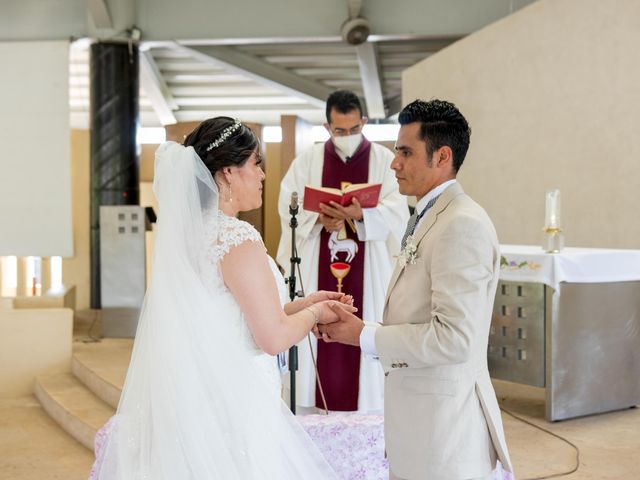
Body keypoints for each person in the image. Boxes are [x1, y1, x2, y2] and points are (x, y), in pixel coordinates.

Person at [91, 117, 356, 479]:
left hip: (200, 394)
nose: (263, 174)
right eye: (256, 163)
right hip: (236, 401)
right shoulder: (237, 238)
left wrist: (305, 304)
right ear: (229, 172)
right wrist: (317, 314)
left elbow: (236, 314)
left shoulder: (190, 235)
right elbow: (273, 337)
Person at [319, 100, 514, 479]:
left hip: (446, 434)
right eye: (396, 152)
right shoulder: (428, 214)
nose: (394, 163)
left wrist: (365, 336)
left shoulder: (462, 224)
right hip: (422, 425)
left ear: (442, 156)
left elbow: (455, 338)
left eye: (406, 153)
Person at [277, 90, 409, 413]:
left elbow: (397, 213)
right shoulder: (308, 161)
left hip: (368, 267)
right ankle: (312, 405)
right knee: (314, 350)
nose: (347, 137)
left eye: (354, 130)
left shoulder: (381, 160)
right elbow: (288, 206)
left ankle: (367, 405)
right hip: (317, 256)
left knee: (367, 337)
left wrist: (360, 215)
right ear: (327, 127)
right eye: (340, 131)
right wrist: (319, 218)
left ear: (364, 122)